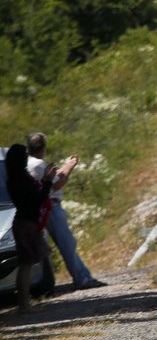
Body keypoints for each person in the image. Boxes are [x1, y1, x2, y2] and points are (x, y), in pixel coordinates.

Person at [25, 133, 105, 291]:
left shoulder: (29, 163)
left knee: (65, 244)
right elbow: (57, 184)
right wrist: (70, 165)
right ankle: (82, 278)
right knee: (67, 243)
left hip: (39, 208)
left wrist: (64, 167)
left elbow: (52, 178)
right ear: (43, 147)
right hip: (51, 206)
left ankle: (83, 276)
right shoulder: (39, 164)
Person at [6, 143, 56, 313]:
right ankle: (24, 305)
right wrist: (47, 182)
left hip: (21, 222)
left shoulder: (12, 179)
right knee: (26, 265)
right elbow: (37, 199)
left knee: (24, 264)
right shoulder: (22, 179)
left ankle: (23, 303)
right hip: (27, 224)